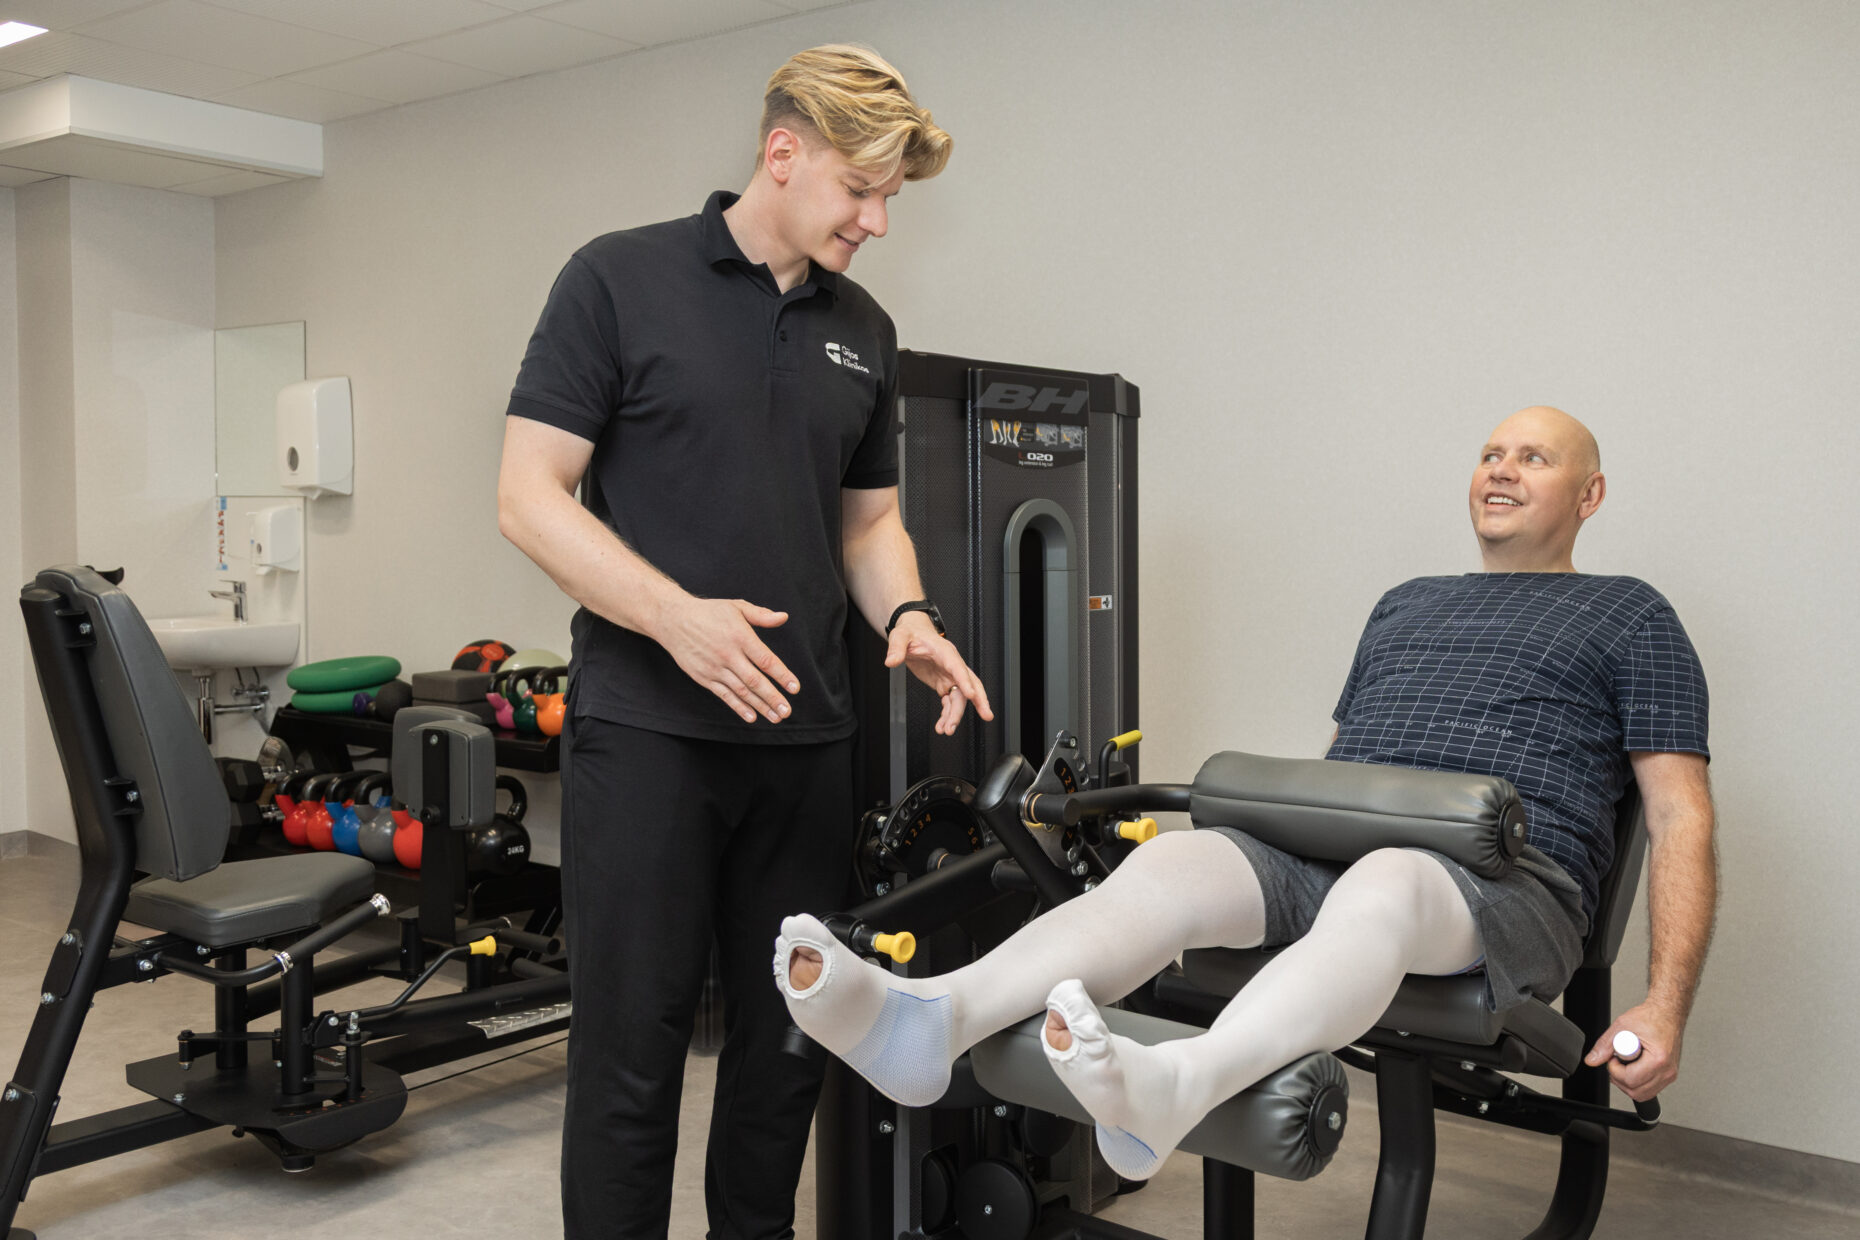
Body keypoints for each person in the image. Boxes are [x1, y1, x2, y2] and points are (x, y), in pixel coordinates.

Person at [774, 405, 1715, 1181]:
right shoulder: (1407, 601)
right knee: (1180, 860)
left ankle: (1183, 1083)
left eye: (1534, 458)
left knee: (1387, 878)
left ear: (1589, 494)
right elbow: (1340, 772)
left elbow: (1681, 819)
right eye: (1489, 453)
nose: (1500, 469)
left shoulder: (1633, 614)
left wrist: (1664, 1007)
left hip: (1502, 887)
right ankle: (934, 1019)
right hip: (1339, 855)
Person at [497, 45, 990, 1240]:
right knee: (632, 1053)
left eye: (889, 198)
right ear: (783, 153)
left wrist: (910, 616)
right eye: (860, 190)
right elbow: (528, 495)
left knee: (784, 1052)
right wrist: (677, 617)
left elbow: (867, 525)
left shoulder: (863, 328)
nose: (876, 221)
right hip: (648, 736)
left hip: (808, 741)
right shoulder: (617, 279)